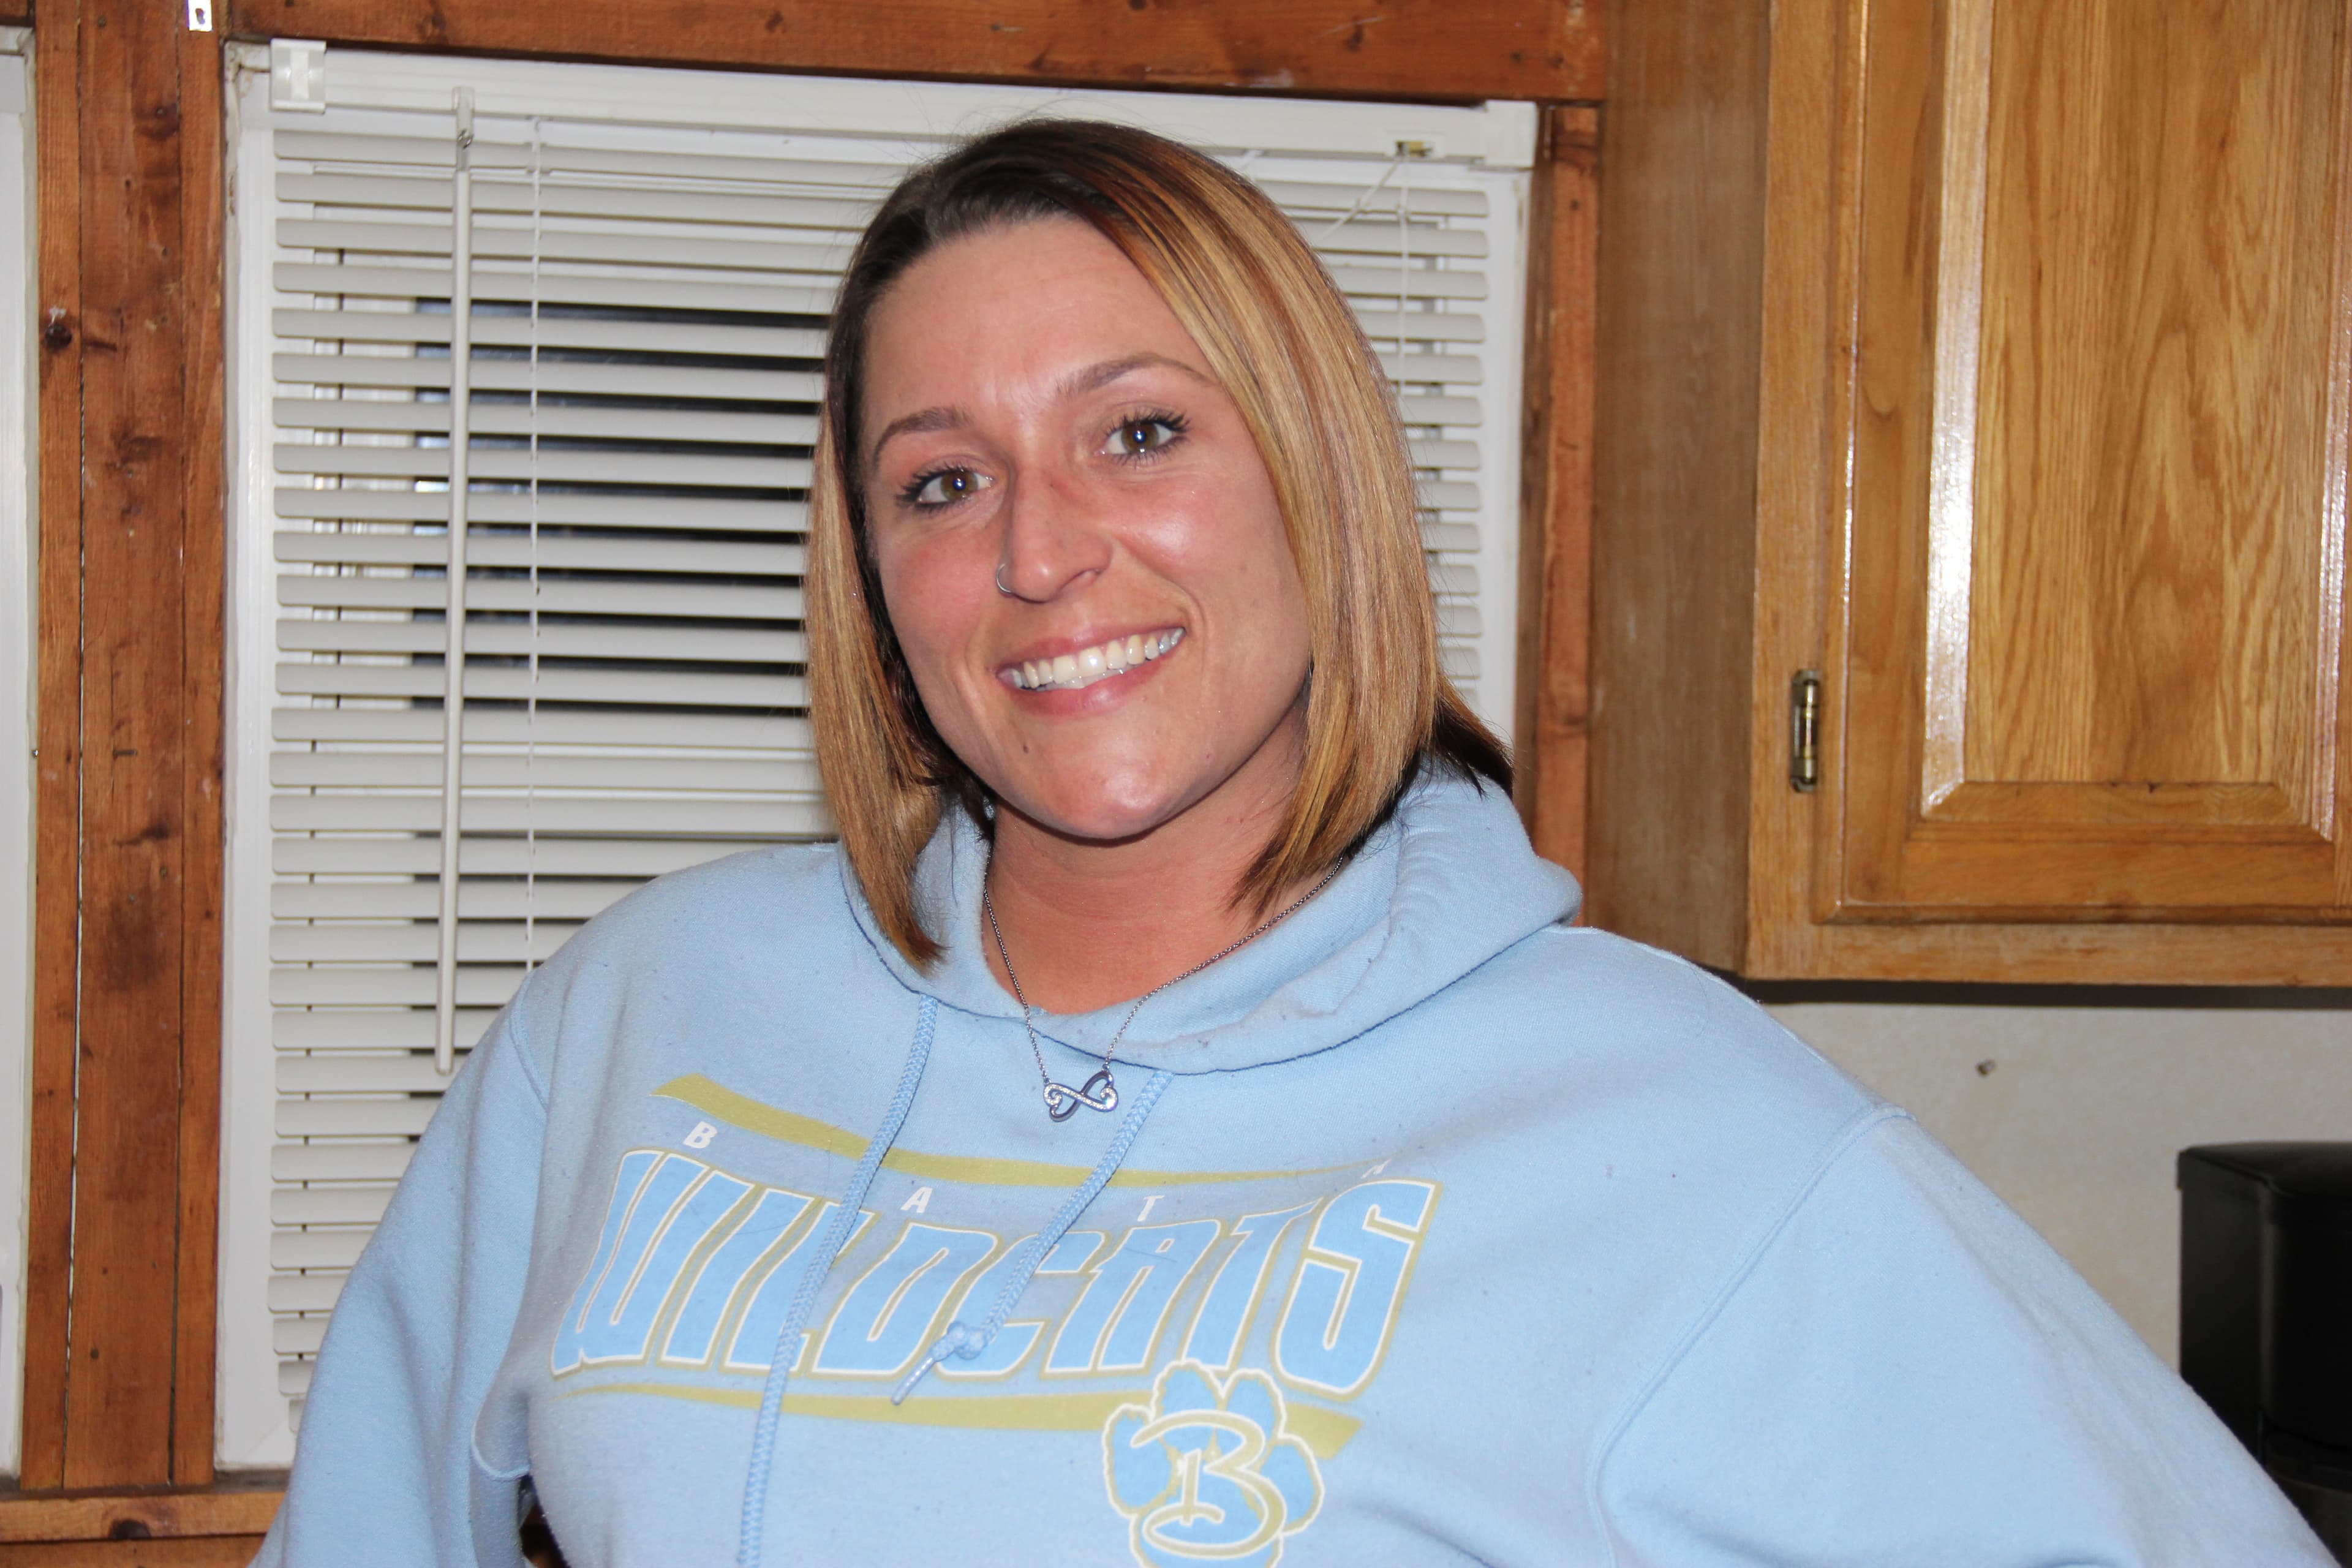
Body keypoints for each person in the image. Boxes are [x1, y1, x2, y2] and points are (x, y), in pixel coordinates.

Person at [257, 119, 2331, 1568]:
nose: (1041, 552)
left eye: (1140, 433)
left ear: (1319, 480)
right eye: (941, 480)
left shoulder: (1686, 1125)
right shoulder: (639, 1019)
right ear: (870, 575)